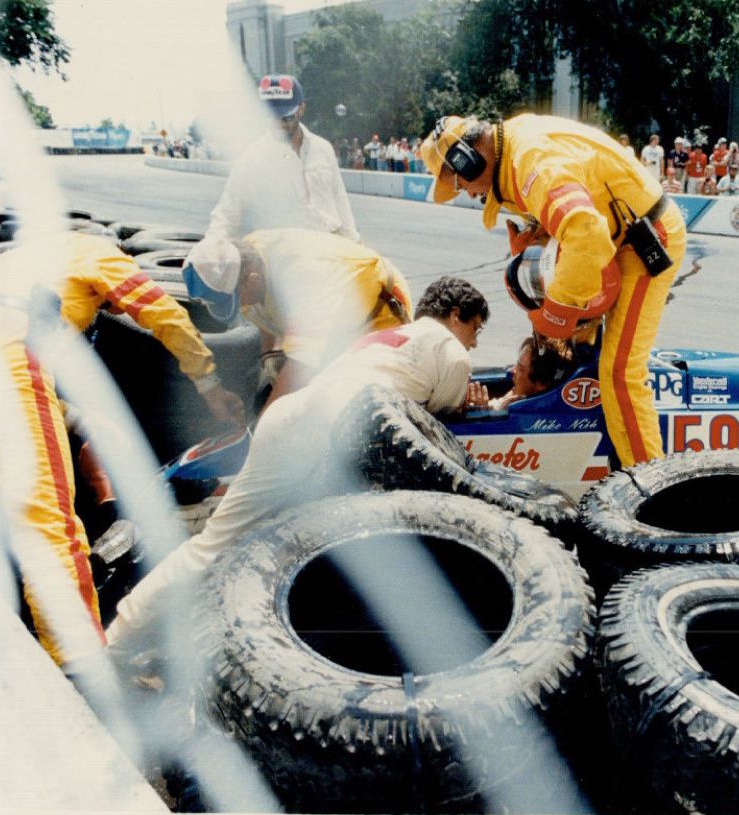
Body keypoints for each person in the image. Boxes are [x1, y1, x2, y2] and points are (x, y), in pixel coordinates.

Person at [105, 276, 489, 655]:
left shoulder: (392, 338)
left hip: (290, 418)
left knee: (215, 545)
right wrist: (474, 403)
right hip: (330, 432)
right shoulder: (451, 350)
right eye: (475, 328)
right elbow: (440, 429)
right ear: (456, 315)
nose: (474, 341)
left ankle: (122, 633)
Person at [0, 231, 243, 668]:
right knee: (48, 522)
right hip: (5, 351)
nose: (110, 312)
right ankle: (80, 664)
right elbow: (164, 315)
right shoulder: (99, 253)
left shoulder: (19, 263)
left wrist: (79, 419)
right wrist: (209, 383)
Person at [419, 114, 686, 468]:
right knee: (579, 355)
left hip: (644, 240)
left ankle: (651, 487)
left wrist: (555, 314)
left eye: (459, 185)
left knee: (620, 372)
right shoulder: (511, 153)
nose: (468, 194)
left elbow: (586, 232)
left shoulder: (531, 161)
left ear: (467, 161)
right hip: (612, 239)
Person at [183, 229, 412, 407]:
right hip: (330, 310)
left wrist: (265, 429)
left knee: (356, 397)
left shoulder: (303, 278)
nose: (241, 305)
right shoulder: (246, 255)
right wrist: (268, 359)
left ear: (251, 279)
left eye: (238, 298)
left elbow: (301, 366)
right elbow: (263, 312)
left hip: (378, 308)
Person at [205, 75, 359, 244]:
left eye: (286, 118)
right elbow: (227, 212)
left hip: (332, 244)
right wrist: (212, 246)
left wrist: (355, 242)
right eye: (272, 118)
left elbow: (340, 200)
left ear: (301, 109)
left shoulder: (323, 149)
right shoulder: (253, 159)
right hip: (288, 250)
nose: (279, 125)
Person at [472, 336, 566, 410]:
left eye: (520, 368)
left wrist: (483, 411)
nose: (512, 371)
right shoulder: (514, 394)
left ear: (540, 383)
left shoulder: (517, 406)